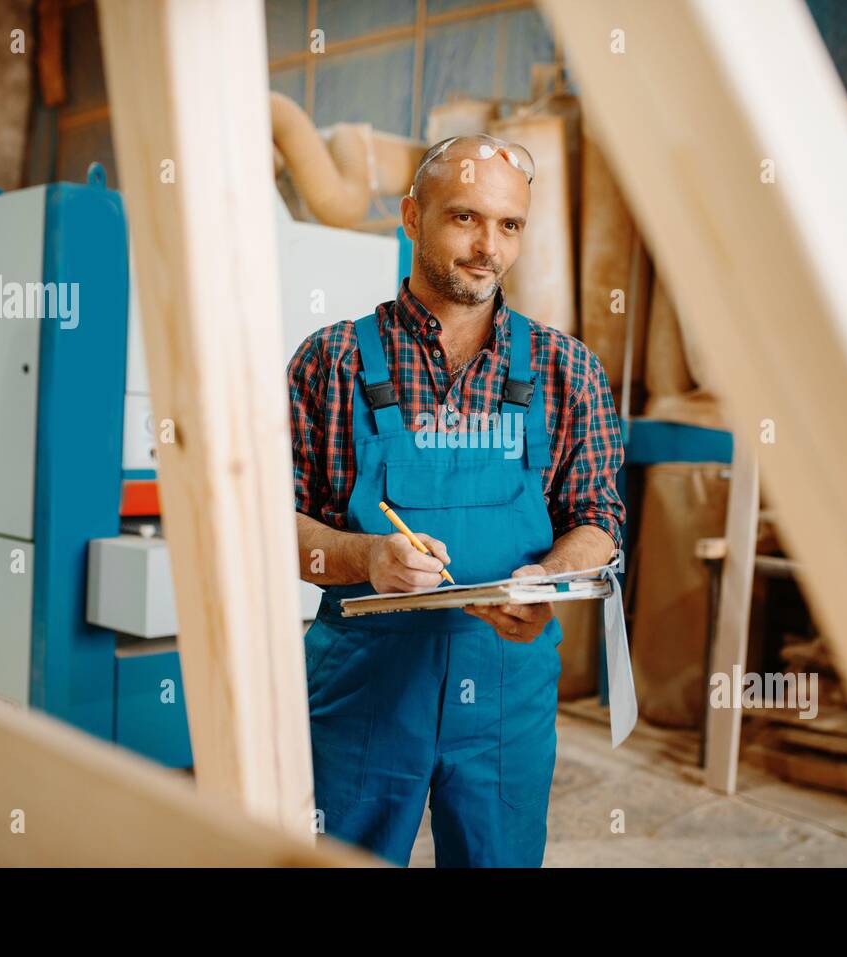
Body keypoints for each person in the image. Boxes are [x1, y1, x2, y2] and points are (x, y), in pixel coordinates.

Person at [287, 133, 625, 866]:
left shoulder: (567, 372)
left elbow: (598, 519)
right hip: (362, 691)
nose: (488, 247)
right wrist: (368, 554)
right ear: (411, 216)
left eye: (509, 226)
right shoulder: (332, 361)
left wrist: (548, 578)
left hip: (506, 696)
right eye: (465, 217)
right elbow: (277, 529)